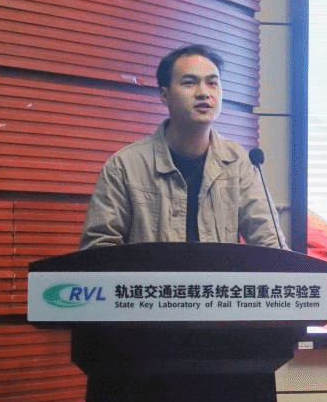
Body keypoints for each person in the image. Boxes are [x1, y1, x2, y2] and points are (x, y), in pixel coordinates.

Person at [80, 44, 286, 249]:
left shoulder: (239, 164)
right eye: (189, 83)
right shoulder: (124, 167)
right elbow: (99, 249)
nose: (203, 93)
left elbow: (271, 245)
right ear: (164, 95)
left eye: (212, 83)